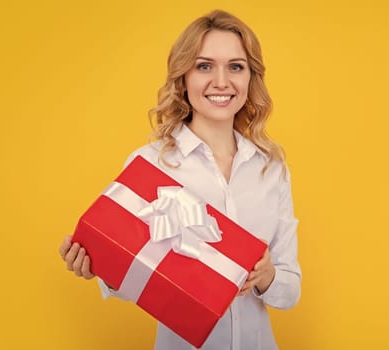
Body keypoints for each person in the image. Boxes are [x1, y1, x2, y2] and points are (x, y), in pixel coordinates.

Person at [58, 9, 301, 350]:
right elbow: (133, 273)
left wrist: (268, 277)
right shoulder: (151, 165)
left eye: (235, 66)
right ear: (183, 77)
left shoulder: (270, 169)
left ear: (250, 78)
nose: (221, 81)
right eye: (204, 66)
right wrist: (99, 265)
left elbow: (290, 290)